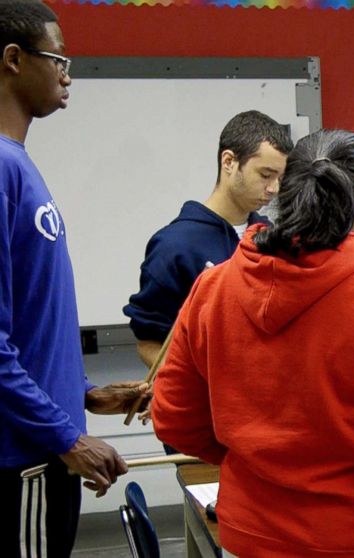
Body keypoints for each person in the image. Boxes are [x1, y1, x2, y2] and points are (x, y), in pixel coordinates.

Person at [152, 129, 354, 557]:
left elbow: (175, 419)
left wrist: (255, 457)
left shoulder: (212, 289)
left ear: (285, 195)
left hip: (253, 538)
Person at [0, 1, 148, 556]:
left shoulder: (19, 163)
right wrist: (66, 436)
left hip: (45, 447)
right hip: (27, 459)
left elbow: (31, 325)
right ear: (13, 59)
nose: (67, 73)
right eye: (57, 58)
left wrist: (82, 395)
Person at [124, 110, 292, 368]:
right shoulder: (174, 246)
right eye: (265, 175)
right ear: (229, 162)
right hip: (209, 401)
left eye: (280, 178)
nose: (274, 189)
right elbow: (149, 341)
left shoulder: (271, 238)